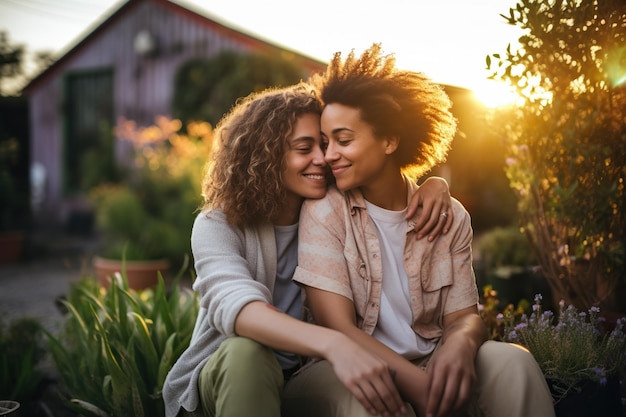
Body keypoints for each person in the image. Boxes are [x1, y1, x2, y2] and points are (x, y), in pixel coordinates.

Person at [284, 44, 556, 417]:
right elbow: (339, 328)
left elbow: (462, 318)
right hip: (342, 366)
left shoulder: (450, 217)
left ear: (390, 141)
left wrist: (459, 346)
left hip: (428, 359)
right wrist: (423, 390)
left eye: (344, 141)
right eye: (327, 141)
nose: (329, 155)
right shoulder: (325, 212)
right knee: (364, 400)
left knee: (513, 364)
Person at [162, 82, 455, 417]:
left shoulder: (337, 213)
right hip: (232, 381)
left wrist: (434, 185)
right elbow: (240, 310)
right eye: (305, 148)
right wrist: (335, 344)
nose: (324, 158)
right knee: (247, 354)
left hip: (311, 379)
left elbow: (386, 186)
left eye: (326, 144)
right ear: (266, 155)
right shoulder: (218, 225)